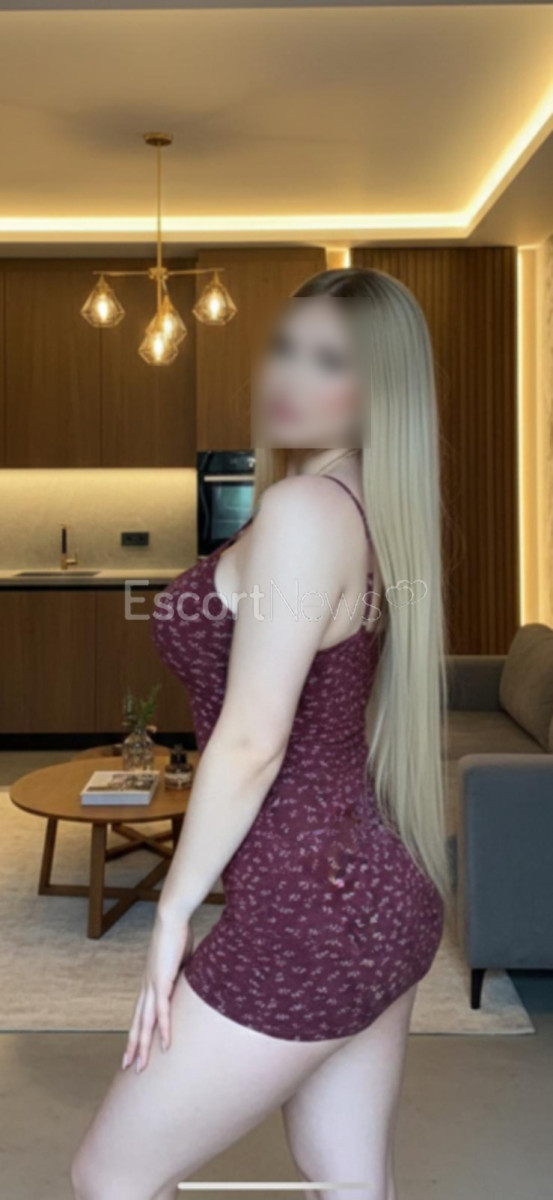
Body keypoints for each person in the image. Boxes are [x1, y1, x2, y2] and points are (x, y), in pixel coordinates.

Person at [71, 267, 448, 1200]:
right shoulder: (361, 503)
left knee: (110, 1178)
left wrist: (169, 914)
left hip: (312, 906)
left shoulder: (304, 512)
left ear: (380, 391)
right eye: (286, 348)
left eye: (329, 361)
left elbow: (250, 741)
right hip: (380, 892)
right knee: (347, 1176)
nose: (289, 375)